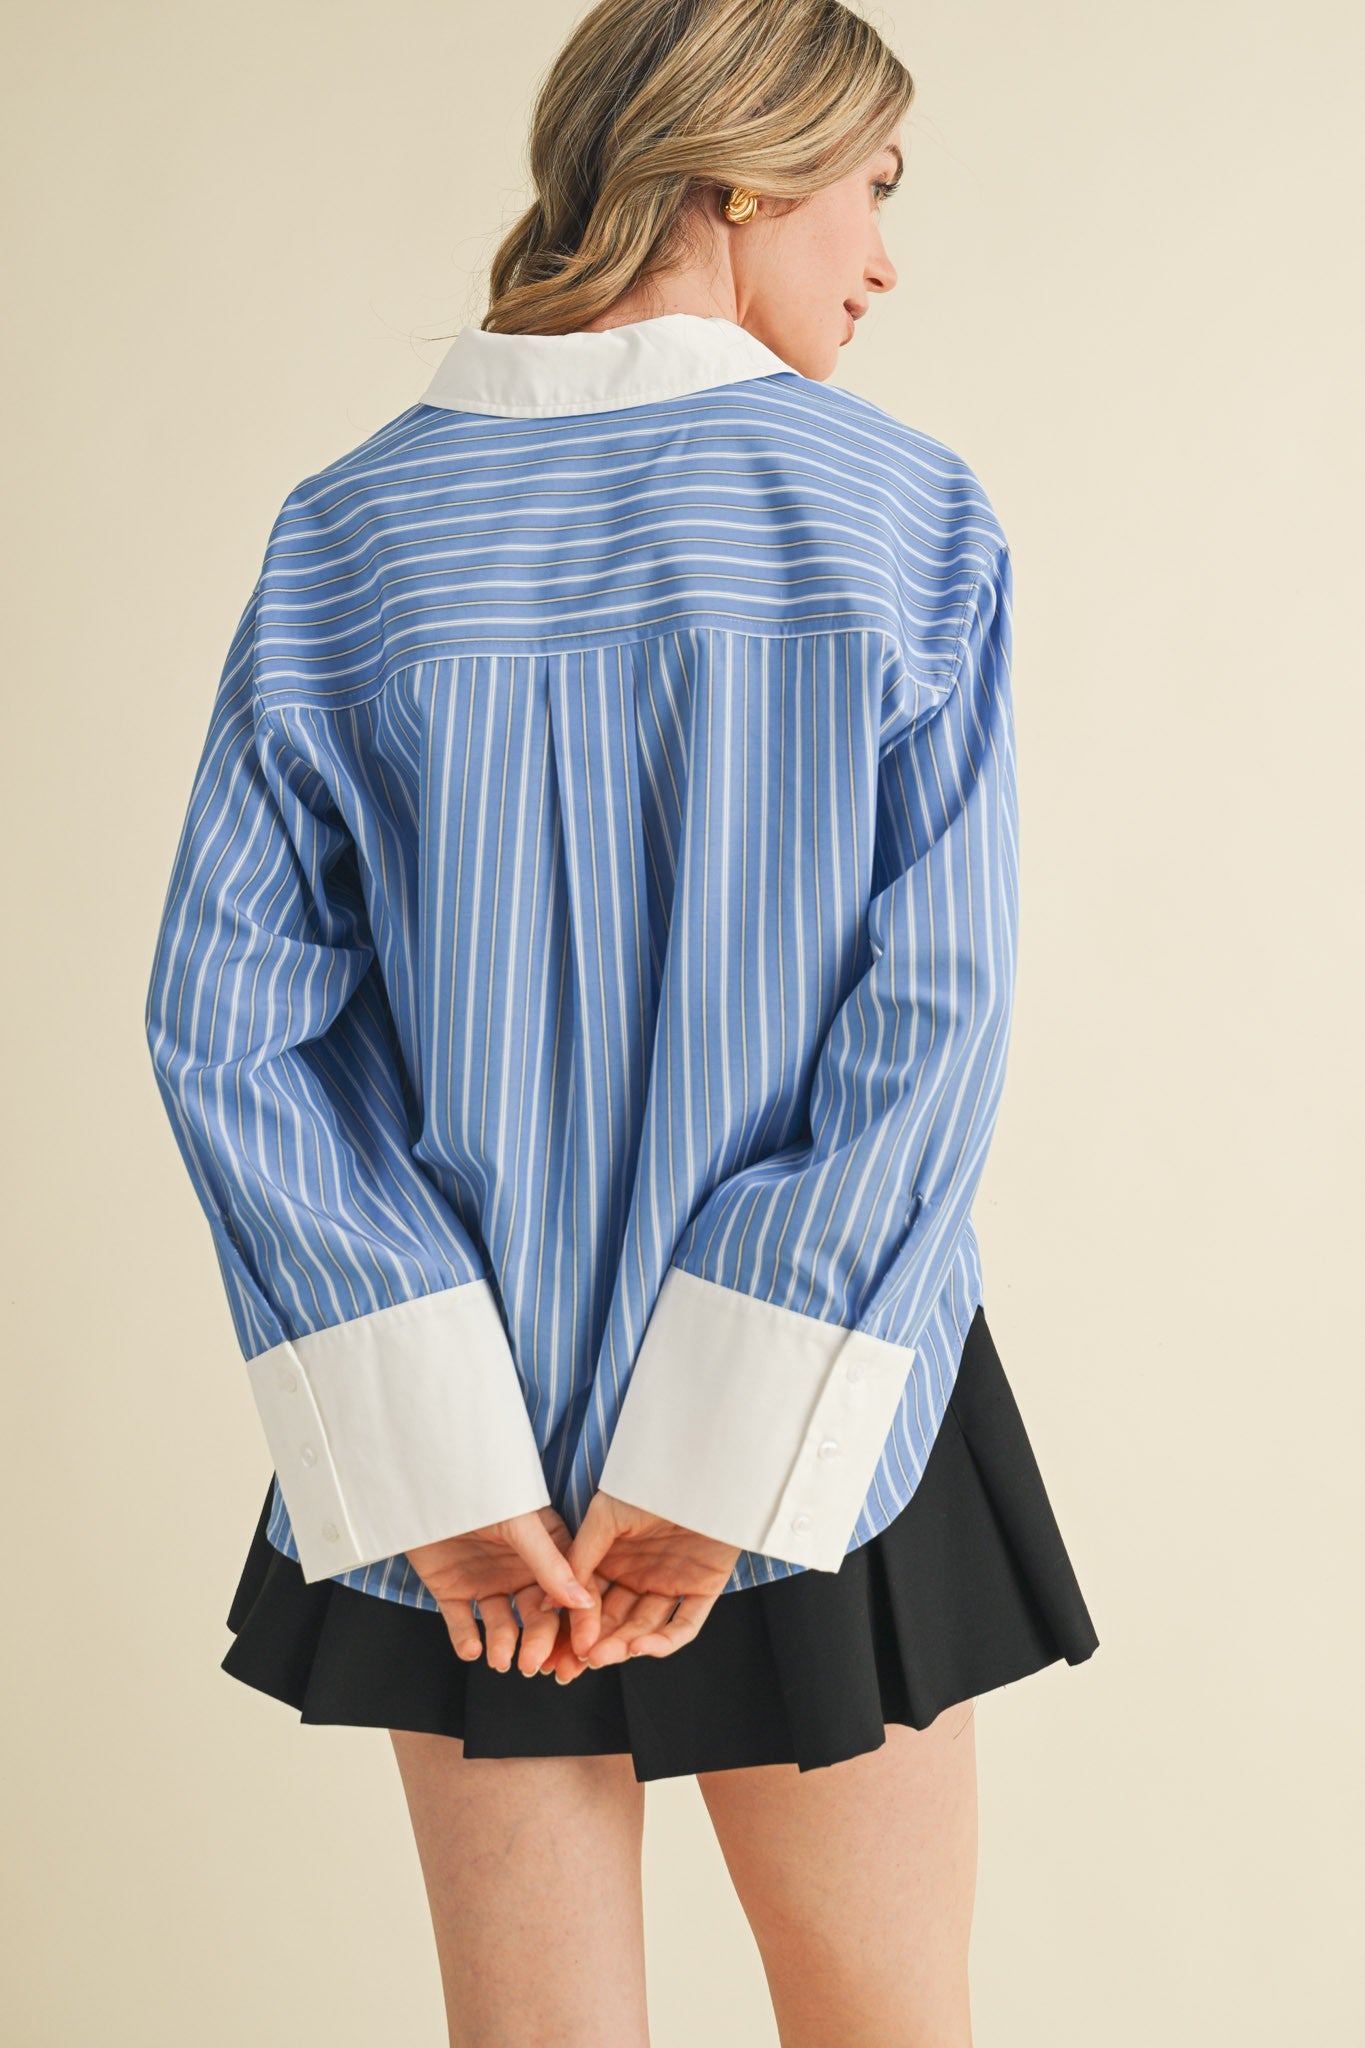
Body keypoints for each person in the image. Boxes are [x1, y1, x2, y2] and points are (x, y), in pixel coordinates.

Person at [143, 1, 1099, 2041]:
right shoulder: (901, 512)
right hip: (834, 1407)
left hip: (465, 1437)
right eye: (868, 188)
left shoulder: (350, 532)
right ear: (736, 173)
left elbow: (229, 1027)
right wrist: (734, 1439)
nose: (882, 257)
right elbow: (930, 1019)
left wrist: (432, 1449)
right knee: (883, 2019)